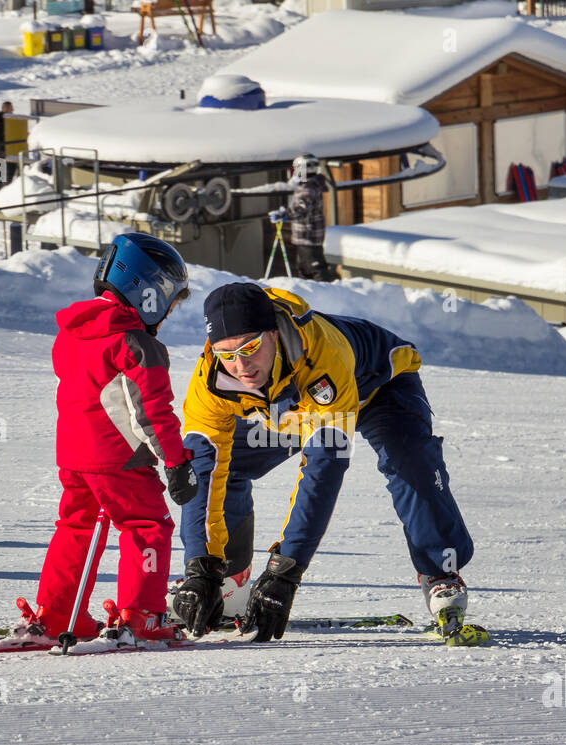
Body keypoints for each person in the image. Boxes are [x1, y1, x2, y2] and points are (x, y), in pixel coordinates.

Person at [169, 282, 481, 644]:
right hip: (294, 407)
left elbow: (323, 468)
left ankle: (440, 573)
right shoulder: (211, 380)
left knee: (409, 463)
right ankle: (230, 582)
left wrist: (286, 571)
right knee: (231, 462)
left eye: (251, 347)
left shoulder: (321, 353)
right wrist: (200, 566)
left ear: (272, 333)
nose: (241, 365)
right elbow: (204, 469)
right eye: (227, 354)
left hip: (378, 386)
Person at [18, 234, 198, 645]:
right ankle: (140, 618)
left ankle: (56, 612)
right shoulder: (136, 343)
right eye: (169, 303)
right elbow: (152, 412)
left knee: (76, 527)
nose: (167, 314)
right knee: (147, 525)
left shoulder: (71, 333)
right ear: (148, 291)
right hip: (121, 459)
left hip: (74, 456)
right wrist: (175, 461)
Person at [282, 153, 331, 281]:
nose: (293, 173)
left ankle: (326, 294)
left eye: (295, 169)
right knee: (304, 270)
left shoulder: (307, 189)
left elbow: (301, 210)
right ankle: (310, 295)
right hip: (307, 236)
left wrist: (284, 214)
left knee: (314, 270)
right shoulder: (311, 186)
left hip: (308, 236)